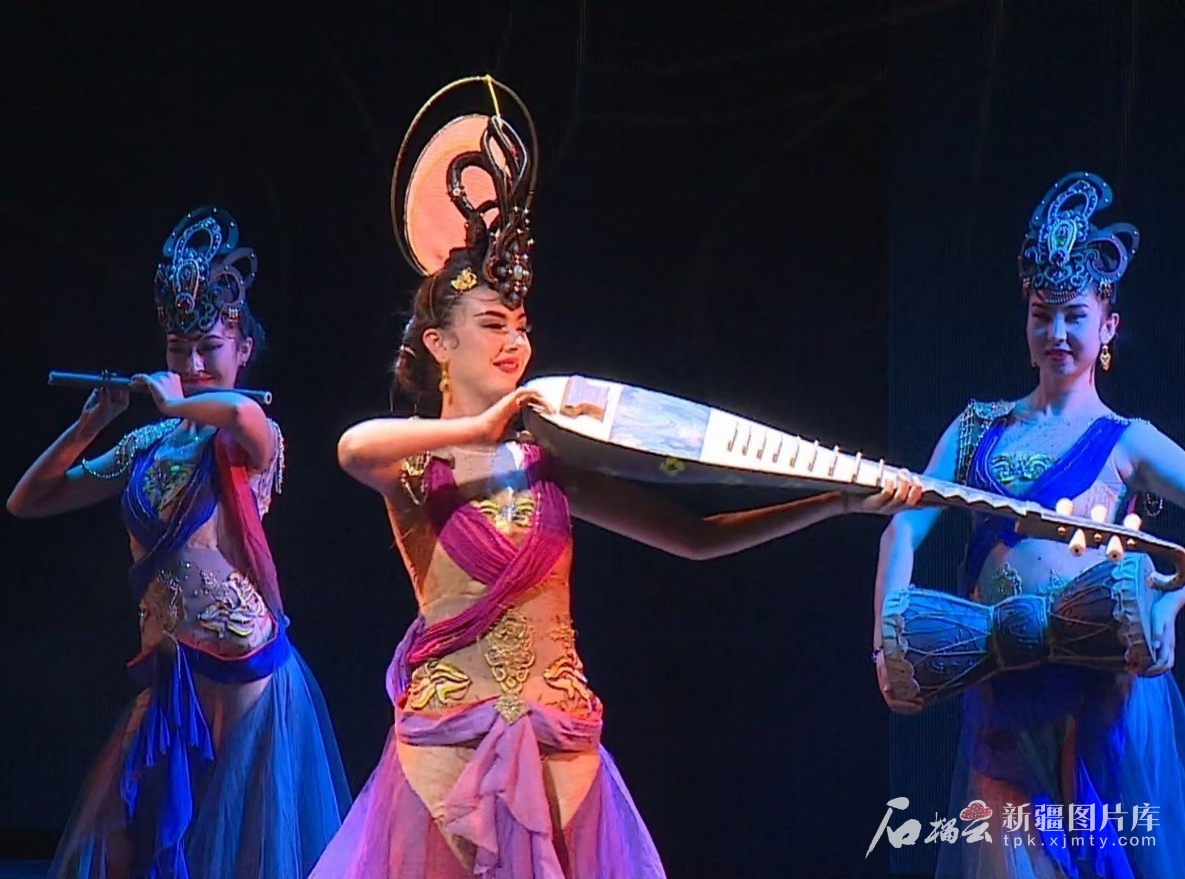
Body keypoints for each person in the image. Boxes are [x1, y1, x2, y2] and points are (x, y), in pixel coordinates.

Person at [311, 75, 921, 879]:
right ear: (438, 345)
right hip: (445, 762)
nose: (515, 343)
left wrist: (831, 502)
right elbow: (351, 446)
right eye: (492, 325)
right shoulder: (417, 468)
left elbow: (695, 537)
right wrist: (477, 429)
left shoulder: (552, 464)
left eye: (521, 327)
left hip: (561, 754)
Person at [7, 206, 351, 879]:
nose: (191, 364)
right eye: (176, 348)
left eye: (208, 348)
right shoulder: (147, 443)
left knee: (243, 853)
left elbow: (240, 410)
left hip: (245, 668)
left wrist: (173, 401)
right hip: (170, 671)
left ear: (242, 351)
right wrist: (90, 424)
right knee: (140, 844)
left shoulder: (250, 437)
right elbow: (29, 500)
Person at [872, 171, 1185, 878]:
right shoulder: (977, 427)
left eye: (1075, 315)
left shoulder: (1126, 441)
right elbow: (903, 529)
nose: (1057, 333)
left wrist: (1169, 603)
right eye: (1043, 315)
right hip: (1002, 690)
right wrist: (885, 640)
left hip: (1100, 692)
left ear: (1108, 327)